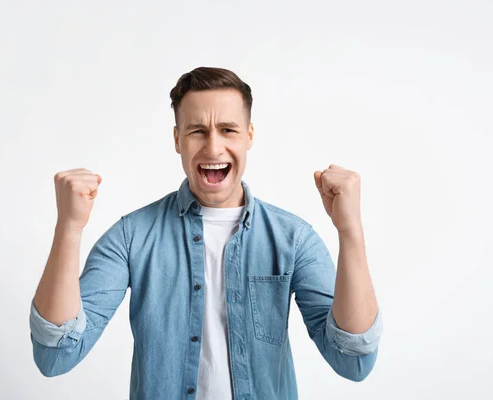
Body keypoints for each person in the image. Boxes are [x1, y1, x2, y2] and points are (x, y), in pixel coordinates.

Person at [29, 66, 383, 399]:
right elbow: (56, 354)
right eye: (197, 130)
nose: (213, 147)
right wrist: (69, 227)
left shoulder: (293, 238)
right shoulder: (131, 237)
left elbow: (352, 360)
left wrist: (350, 231)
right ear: (177, 139)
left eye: (228, 129)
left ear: (249, 136)